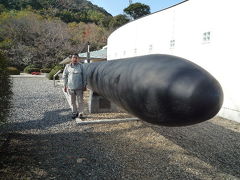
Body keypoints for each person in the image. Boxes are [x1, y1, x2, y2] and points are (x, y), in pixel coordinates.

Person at [63, 54, 87, 119]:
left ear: (78, 59)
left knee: (80, 101)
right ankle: (74, 112)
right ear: (71, 58)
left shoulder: (81, 66)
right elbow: (64, 76)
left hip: (79, 87)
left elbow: (84, 76)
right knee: (72, 101)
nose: (75, 59)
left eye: (76, 58)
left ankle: (81, 113)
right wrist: (65, 85)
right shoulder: (67, 66)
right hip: (71, 87)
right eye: (74, 57)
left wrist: (84, 85)